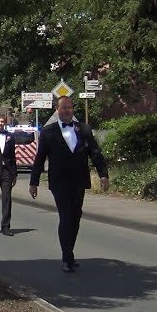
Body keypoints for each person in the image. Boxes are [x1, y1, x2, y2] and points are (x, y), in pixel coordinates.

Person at [29, 96, 109, 273]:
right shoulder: (48, 132)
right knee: (65, 217)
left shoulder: (84, 129)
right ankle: (66, 257)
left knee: (76, 216)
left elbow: (95, 153)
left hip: (79, 180)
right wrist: (33, 182)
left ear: (73, 110)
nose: (66, 111)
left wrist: (103, 175)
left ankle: (69, 253)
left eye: (70, 108)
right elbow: (40, 158)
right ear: (57, 110)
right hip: (59, 181)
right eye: (63, 108)